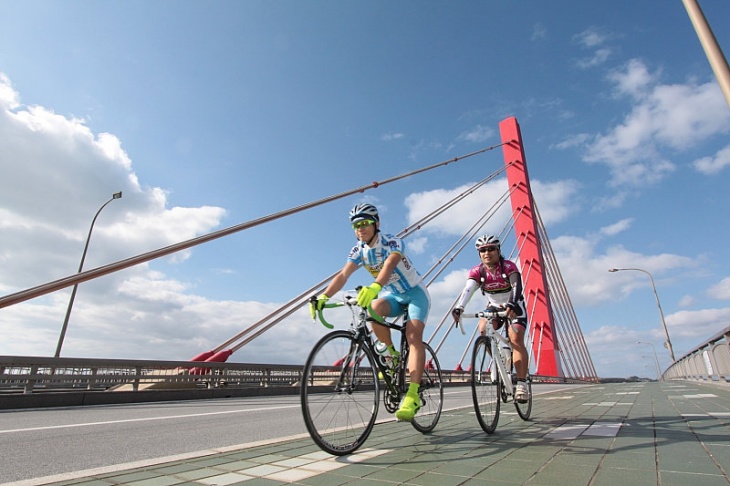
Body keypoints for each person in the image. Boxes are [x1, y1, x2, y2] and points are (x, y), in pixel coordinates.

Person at [310, 203, 431, 421]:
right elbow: (343, 275)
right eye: (356, 225)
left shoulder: (391, 242)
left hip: (415, 294)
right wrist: (324, 296)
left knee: (413, 336)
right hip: (393, 295)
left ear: (376, 224)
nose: (361, 228)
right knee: (373, 308)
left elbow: (389, 265)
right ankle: (392, 355)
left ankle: (412, 395)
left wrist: (375, 286)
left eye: (365, 223)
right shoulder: (358, 251)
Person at [451, 235, 530, 403]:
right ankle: (497, 360)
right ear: (479, 254)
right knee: (483, 329)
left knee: (515, 339)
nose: (487, 253)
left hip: (514, 305)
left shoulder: (508, 266)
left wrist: (512, 304)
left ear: (498, 251)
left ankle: (522, 383)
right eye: (483, 250)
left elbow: (517, 286)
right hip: (494, 305)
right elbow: (468, 290)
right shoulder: (477, 271)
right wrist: (459, 307)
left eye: (491, 249)